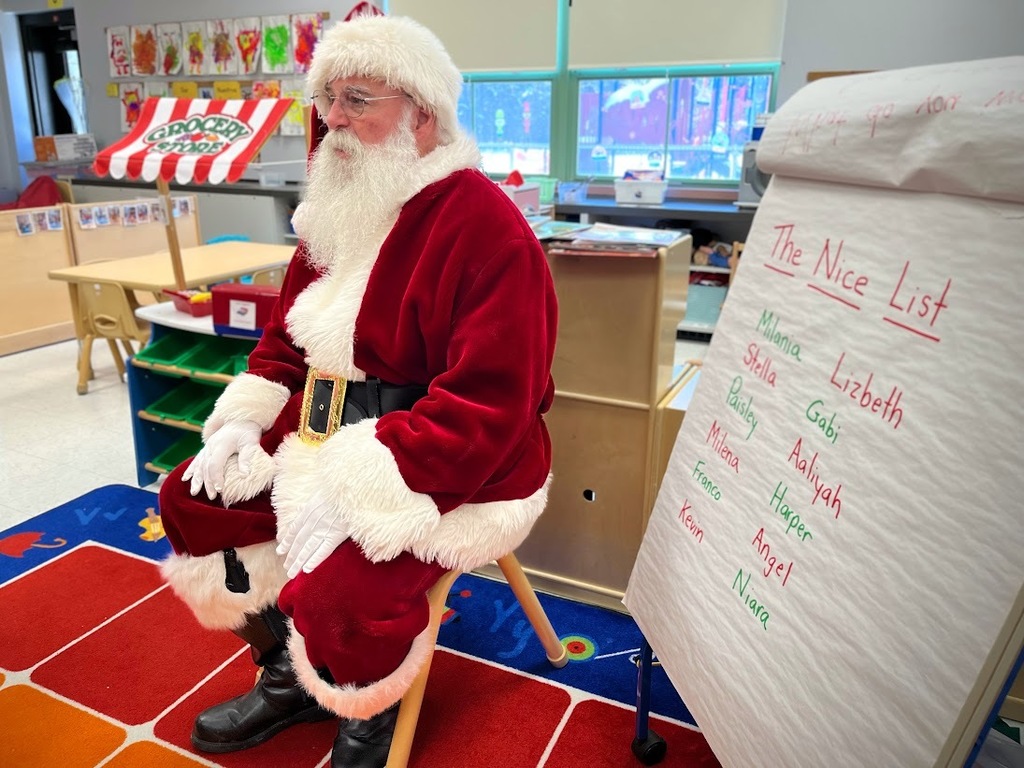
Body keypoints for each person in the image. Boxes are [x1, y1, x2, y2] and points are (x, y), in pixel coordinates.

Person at [157, 14, 558, 768]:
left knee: (347, 595)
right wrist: (244, 422)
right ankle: (292, 674)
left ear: (422, 116)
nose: (332, 120)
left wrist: (359, 485)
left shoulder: (491, 232)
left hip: (447, 461)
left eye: (357, 100)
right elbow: (285, 341)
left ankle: (364, 709)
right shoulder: (333, 209)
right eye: (328, 98)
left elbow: (492, 404)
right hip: (319, 430)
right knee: (191, 501)